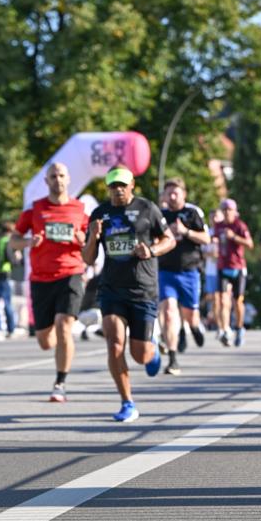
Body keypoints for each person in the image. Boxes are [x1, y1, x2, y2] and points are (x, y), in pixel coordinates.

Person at [82, 166, 175, 422]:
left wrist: (152, 251)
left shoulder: (148, 209)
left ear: (132, 184)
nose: (118, 190)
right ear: (108, 188)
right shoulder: (100, 214)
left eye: (122, 184)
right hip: (112, 289)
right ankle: (127, 402)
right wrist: (93, 237)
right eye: (113, 185)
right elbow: (88, 259)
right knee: (114, 345)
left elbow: (170, 239)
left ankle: (152, 350)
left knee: (140, 355)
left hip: (143, 289)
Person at [10, 162, 88, 402]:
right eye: (53, 176)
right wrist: (28, 243)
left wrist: (82, 238)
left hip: (71, 273)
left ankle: (60, 383)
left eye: (62, 175)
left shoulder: (80, 209)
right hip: (41, 279)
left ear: (69, 179)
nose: (58, 180)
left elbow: (91, 243)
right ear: (46, 181)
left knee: (64, 324)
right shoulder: (34, 210)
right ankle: (58, 339)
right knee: (45, 342)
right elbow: (14, 240)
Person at [158, 177, 210, 375]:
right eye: (168, 193)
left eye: (176, 193)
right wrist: (166, 235)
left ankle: (195, 327)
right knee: (169, 311)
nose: (172, 196)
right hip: (166, 271)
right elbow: (152, 238)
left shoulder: (192, 213)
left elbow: (206, 238)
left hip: (189, 272)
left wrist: (185, 231)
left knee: (190, 315)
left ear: (183, 194)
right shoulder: (160, 216)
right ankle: (172, 359)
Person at [213, 198, 254, 347]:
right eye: (224, 210)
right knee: (223, 300)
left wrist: (234, 237)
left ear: (234, 212)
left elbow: (250, 244)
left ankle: (239, 327)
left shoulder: (240, 226)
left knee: (238, 302)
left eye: (229, 210)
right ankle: (225, 330)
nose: (226, 212)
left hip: (238, 268)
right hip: (222, 267)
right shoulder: (218, 226)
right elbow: (213, 241)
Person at [202, 208, 223, 330]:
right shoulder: (207, 234)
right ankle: (217, 322)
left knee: (223, 298)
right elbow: (202, 253)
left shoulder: (225, 232)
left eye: (217, 217)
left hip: (224, 269)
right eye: (212, 217)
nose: (214, 220)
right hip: (211, 270)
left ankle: (222, 324)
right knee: (214, 297)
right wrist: (211, 254)